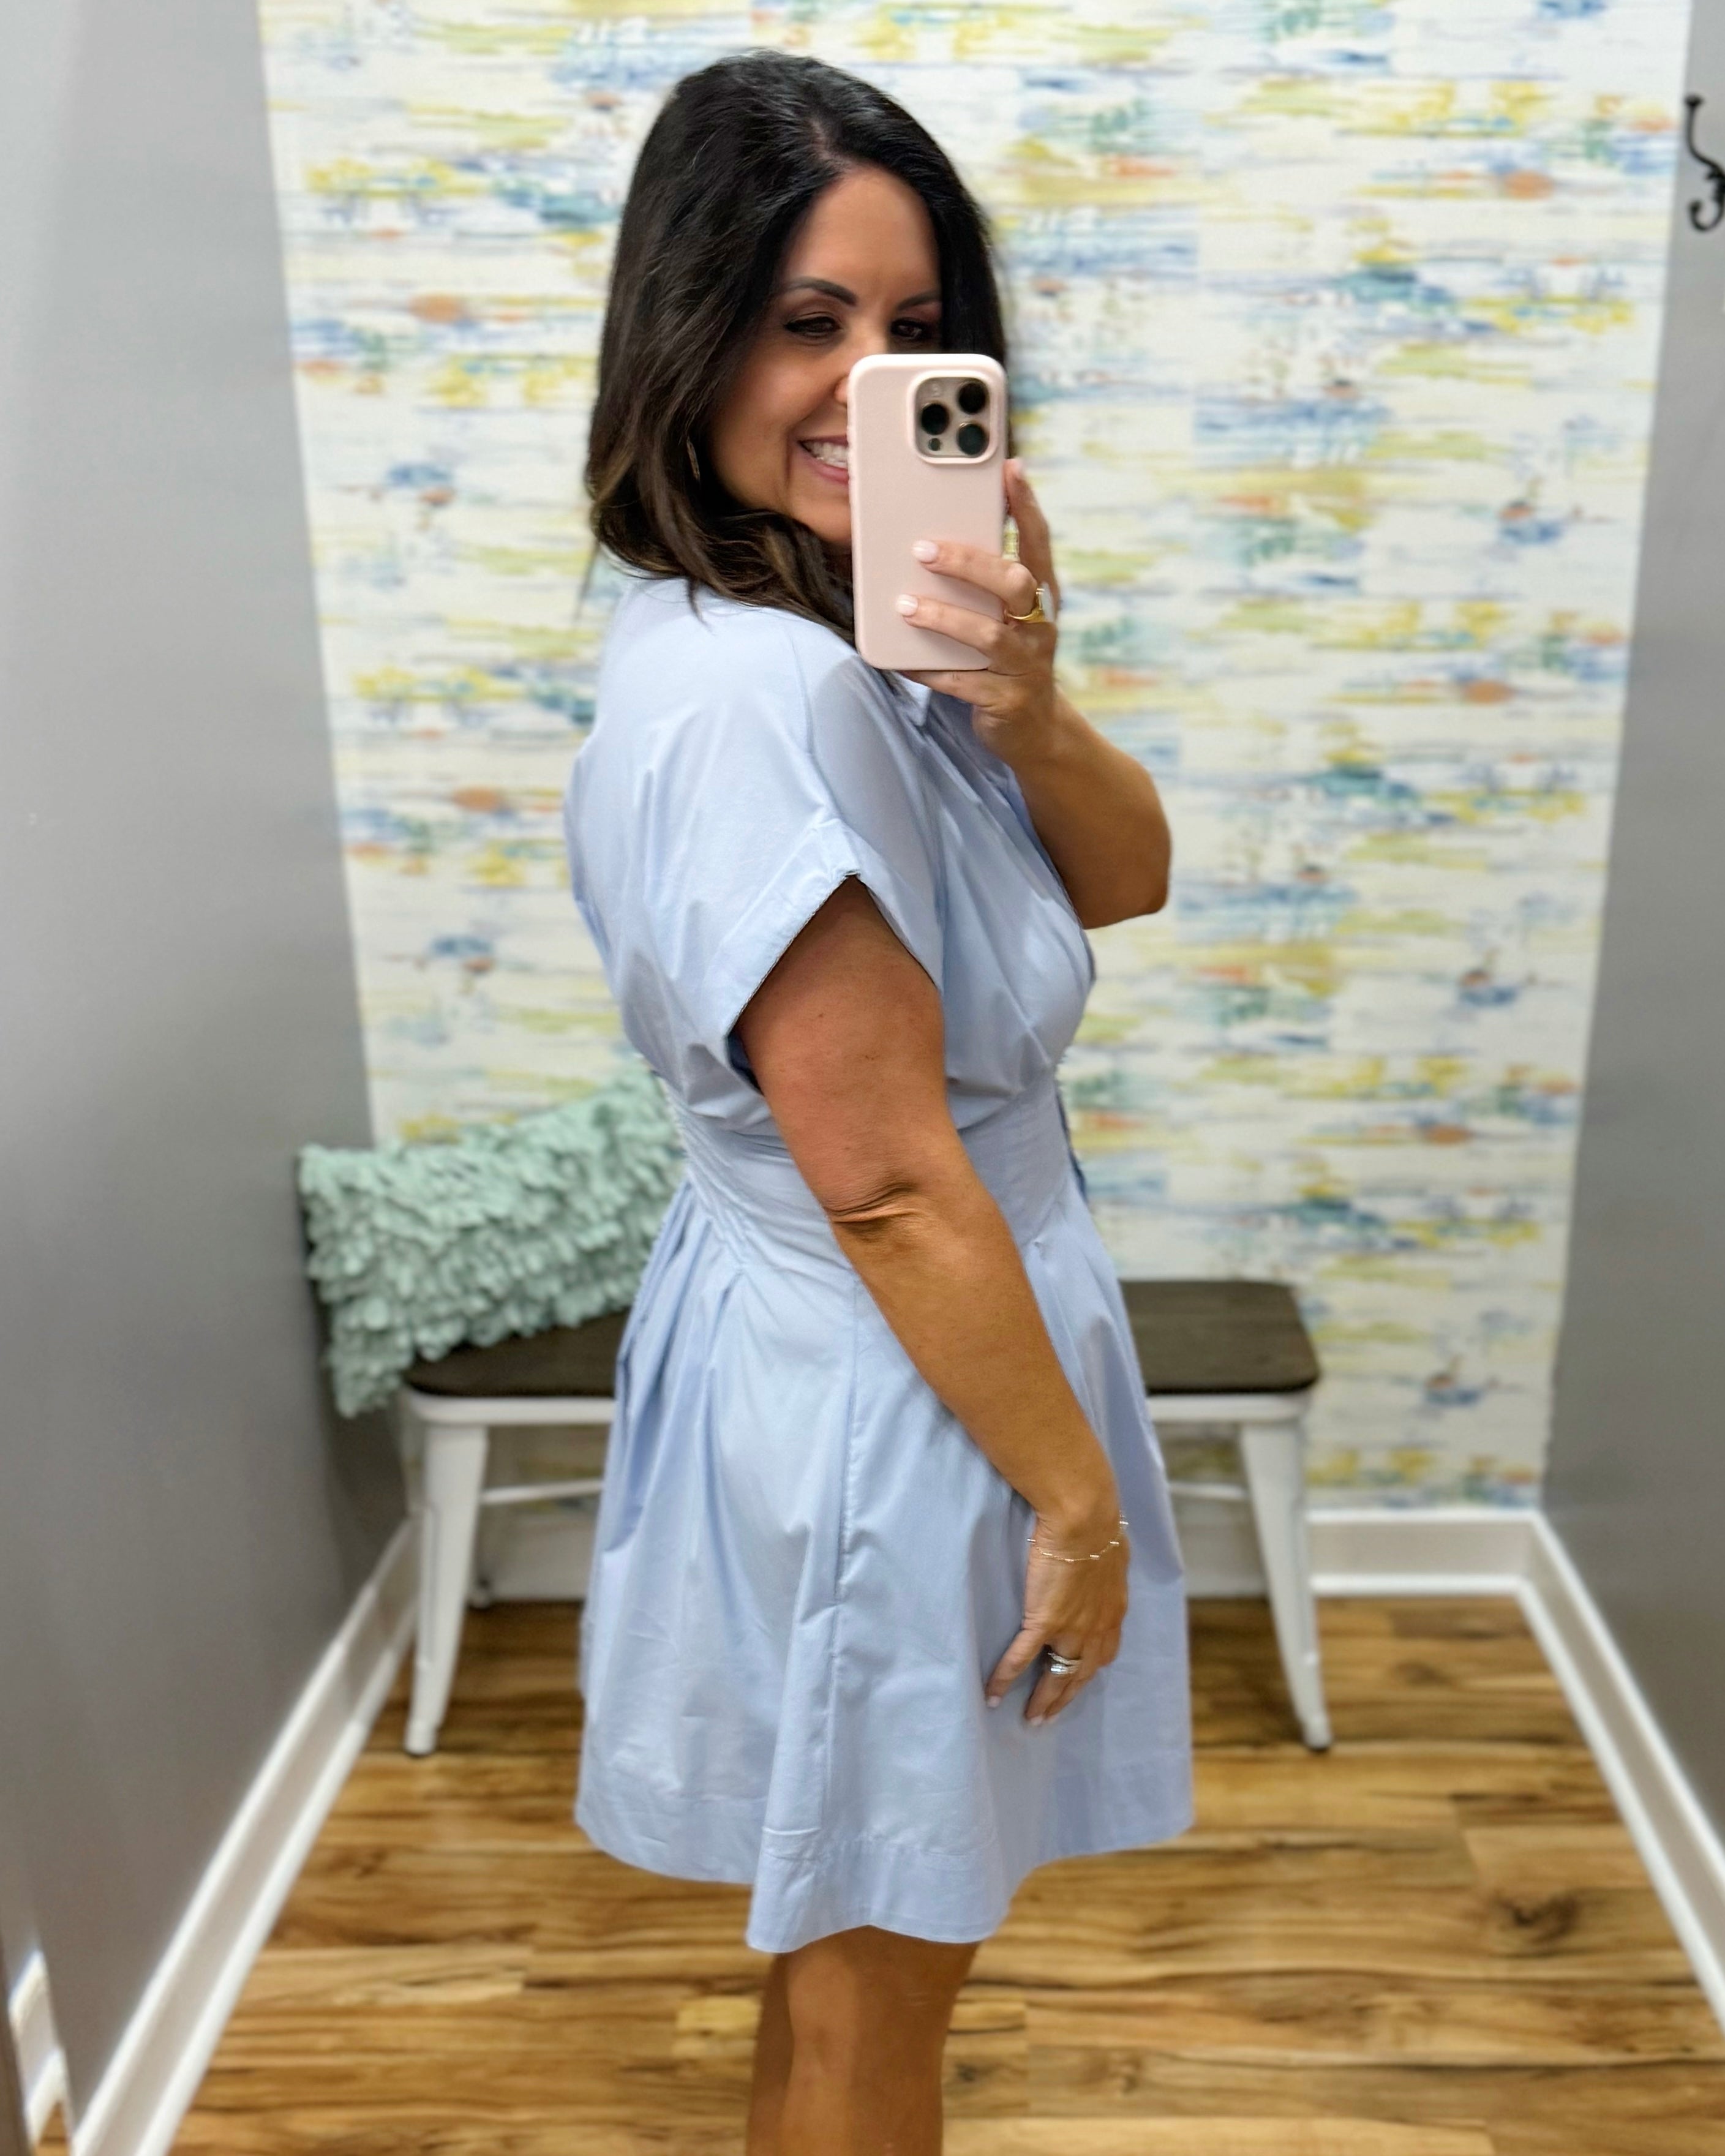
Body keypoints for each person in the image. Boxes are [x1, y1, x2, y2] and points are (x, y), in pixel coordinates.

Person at [563, 48, 1190, 2156]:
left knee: (845, 1940)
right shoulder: (768, 703)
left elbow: (1123, 874)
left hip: (871, 1374)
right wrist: (1078, 1501)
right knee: (874, 1998)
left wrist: (1025, 698)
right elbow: (897, 1187)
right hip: (906, 1398)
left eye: (916, 330)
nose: (867, 380)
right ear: (686, 334)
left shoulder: (814, 636)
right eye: (804, 320)